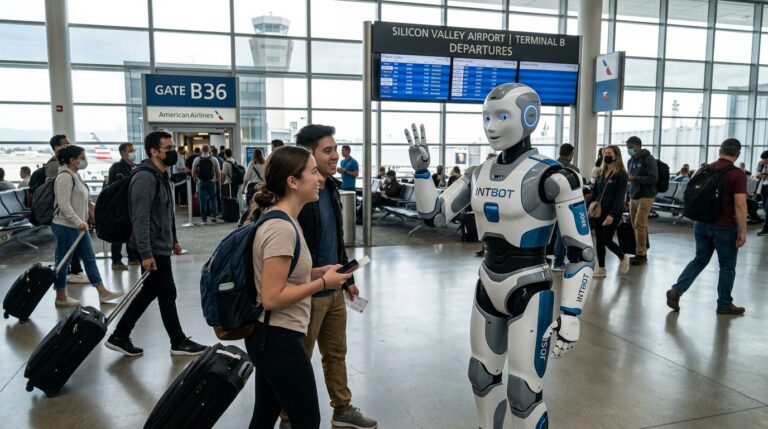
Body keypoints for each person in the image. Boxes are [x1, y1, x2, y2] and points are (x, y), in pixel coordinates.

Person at [244, 145, 352, 429]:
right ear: (292, 182)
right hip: (277, 338)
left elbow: (284, 276)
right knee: (307, 420)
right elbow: (271, 297)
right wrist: (322, 283)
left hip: (272, 335)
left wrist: (316, 272)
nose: (320, 179)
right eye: (313, 172)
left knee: (264, 416)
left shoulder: (287, 220)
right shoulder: (280, 228)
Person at [294, 125, 377, 429]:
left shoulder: (330, 188)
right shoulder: (299, 194)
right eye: (327, 151)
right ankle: (289, 418)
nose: (335, 156)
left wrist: (348, 278)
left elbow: (337, 238)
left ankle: (342, 409)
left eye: (335, 149)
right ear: (309, 155)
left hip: (334, 289)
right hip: (306, 293)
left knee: (336, 353)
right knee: (298, 361)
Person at [106, 130, 206, 357]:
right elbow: (140, 218)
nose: (173, 152)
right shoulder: (145, 178)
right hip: (150, 247)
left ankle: (120, 335)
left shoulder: (161, 175)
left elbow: (165, 212)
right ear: (154, 152)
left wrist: (174, 240)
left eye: (173, 148)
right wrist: (145, 253)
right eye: (168, 149)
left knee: (152, 291)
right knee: (167, 292)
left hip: (159, 244)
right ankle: (177, 341)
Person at [666, 138, 747, 315]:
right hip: (725, 227)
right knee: (727, 266)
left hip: (701, 224)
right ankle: (724, 303)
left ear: (720, 150)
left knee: (700, 259)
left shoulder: (703, 169)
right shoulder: (737, 174)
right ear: (738, 154)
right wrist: (743, 231)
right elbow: (740, 204)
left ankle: (677, 290)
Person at [51, 145, 123, 307]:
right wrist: (79, 222)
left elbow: (83, 201)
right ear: (72, 160)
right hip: (65, 226)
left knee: (89, 259)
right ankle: (60, 295)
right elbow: (63, 204)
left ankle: (102, 292)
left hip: (78, 227)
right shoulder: (64, 177)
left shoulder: (75, 176)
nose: (85, 160)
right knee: (63, 262)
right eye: (82, 157)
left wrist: (88, 219)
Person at [43, 134, 90, 284]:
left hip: (72, 217)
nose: (69, 146)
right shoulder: (56, 166)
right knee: (63, 252)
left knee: (69, 249)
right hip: (62, 217)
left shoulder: (68, 166)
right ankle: (66, 278)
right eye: (65, 144)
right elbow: (62, 197)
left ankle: (74, 271)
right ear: (56, 147)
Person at [590, 145, 630, 278]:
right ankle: (601, 268)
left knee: (606, 239)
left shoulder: (621, 174)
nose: (606, 155)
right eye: (605, 153)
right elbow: (595, 191)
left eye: (609, 153)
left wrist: (611, 215)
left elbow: (620, 197)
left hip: (613, 211)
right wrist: (590, 206)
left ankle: (623, 257)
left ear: (616, 156)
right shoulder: (601, 172)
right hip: (599, 210)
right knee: (599, 240)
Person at [626, 136, 657, 265]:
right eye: (628, 147)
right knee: (636, 225)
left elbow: (653, 178)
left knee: (639, 224)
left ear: (638, 146)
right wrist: (627, 195)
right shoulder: (630, 161)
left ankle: (641, 254)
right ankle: (643, 246)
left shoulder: (649, 159)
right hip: (633, 195)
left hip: (646, 196)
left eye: (631, 147)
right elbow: (629, 181)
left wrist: (635, 178)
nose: (629, 149)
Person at [108, 143, 138, 271]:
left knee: (132, 231)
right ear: (122, 153)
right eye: (130, 150)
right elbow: (112, 186)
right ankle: (116, 260)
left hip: (132, 204)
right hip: (119, 205)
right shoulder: (117, 167)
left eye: (133, 150)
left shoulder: (135, 167)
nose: (133, 152)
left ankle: (132, 257)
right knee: (118, 233)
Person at [551, 143, 581, 271]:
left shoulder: (551, 166)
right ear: (571, 154)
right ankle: (559, 261)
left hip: (549, 203)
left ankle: (548, 257)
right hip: (565, 205)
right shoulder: (573, 169)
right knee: (563, 232)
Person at [192, 144, 221, 224]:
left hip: (201, 182)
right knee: (213, 200)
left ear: (202, 150)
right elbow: (218, 171)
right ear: (209, 150)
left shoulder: (197, 159)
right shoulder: (214, 159)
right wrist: (218, 179)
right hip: (212, 182)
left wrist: (194, 178)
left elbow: (193, 170)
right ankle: (213, 216)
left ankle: (203, 219)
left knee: (202, 201)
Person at [755, 150, 768, 236]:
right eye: (763, 159)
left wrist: (763, 173)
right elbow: (757, 173)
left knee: (767, 208)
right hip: (763, 187)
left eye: (765, 159)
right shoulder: (762, 164)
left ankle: (766, 229)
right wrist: (759, 174)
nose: (764, 160)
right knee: (765, 208)